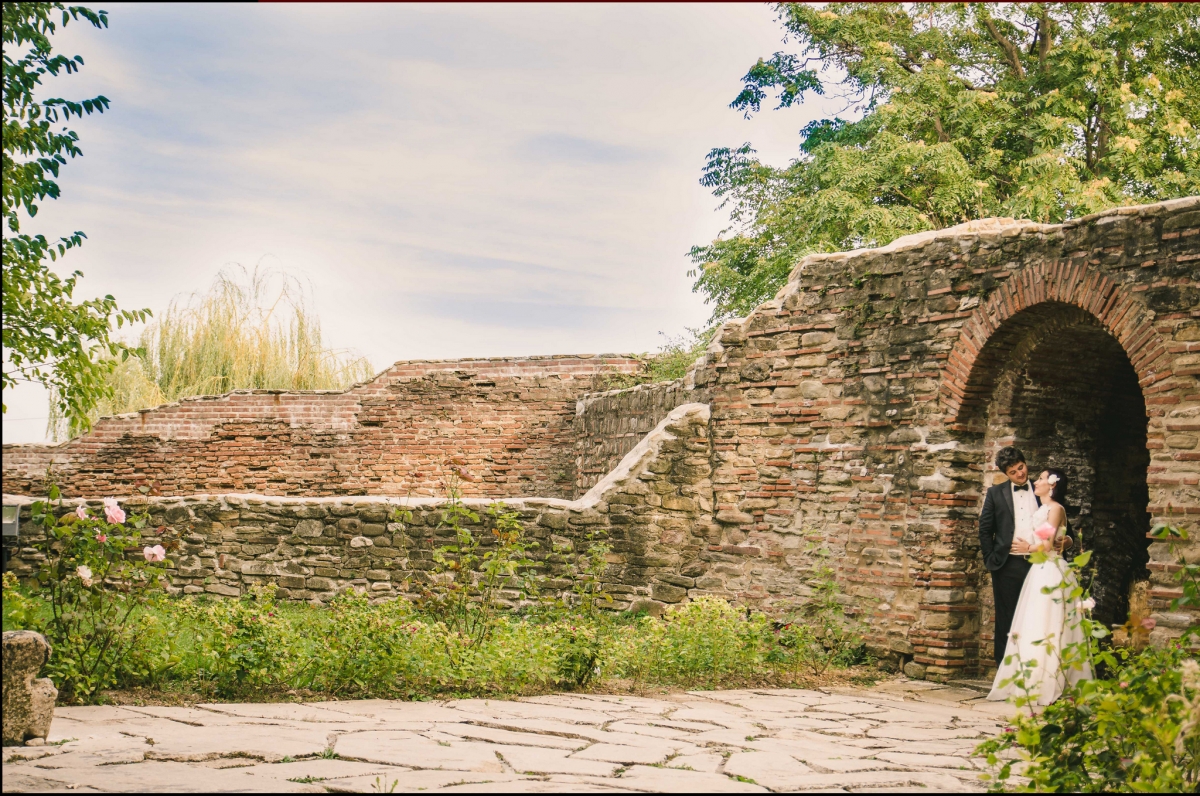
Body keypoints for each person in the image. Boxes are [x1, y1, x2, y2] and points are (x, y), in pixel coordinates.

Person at [987, 468, 1092, 705]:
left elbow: (1045, 545)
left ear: (1052, 485)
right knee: (1034, 624)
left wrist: (1028, 548)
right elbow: (1049, 539)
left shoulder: (1056, 509)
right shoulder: (1044, 508)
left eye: (1042, 478)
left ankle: (1051, 680)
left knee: (1050, 624)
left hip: (1051, 570)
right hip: (1039, 571)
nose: (1037, 480)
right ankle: (1032, 679)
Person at [977, 447, 1071, 669]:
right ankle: (1004, 671)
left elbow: (1064, 527)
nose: (1020, 474)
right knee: (1007, 619)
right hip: (1007, 564)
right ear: (1005, 474)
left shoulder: (1042, 491)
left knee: (1039, 617)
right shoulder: (995, 493)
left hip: (1039, 564)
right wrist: (991, 560)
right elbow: (985, 529)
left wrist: (1068, 542)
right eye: (1013, 472)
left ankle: (1035, 669)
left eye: (1021, 467)